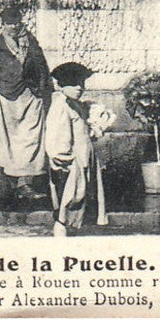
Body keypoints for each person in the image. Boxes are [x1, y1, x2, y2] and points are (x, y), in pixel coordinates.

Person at [0, 7, 51, 201]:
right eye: (10, 23)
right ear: (3, 24)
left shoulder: (31, 41)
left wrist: (41, 88)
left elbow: (42, 65)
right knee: (9, 142)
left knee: (31, 140)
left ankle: (25, 184)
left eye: (17, 22)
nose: (14, 26)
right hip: (7, 97)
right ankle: (11, 183)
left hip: (30, 97)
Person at [45, 62, 111, 236]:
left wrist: (96, 126)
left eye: (81, 83)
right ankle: (61, 229)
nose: (79, 87)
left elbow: (83, 132)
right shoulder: (60, 107)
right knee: (70, 200)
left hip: (84, 160)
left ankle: (72, 231)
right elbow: (57, 141)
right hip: (73, 165)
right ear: (62, 85)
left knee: (82, 201)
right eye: (73, 83)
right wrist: (66, 162)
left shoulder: (75, 105)